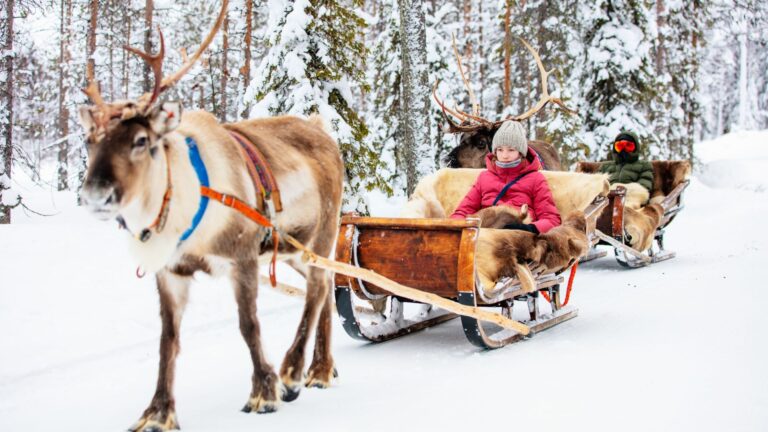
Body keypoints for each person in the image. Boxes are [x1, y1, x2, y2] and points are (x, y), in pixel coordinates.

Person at [450, 120, 561, 234]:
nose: (505, 155)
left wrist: (530, 229)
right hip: (485, 235)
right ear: (494, 151)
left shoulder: (536, 179)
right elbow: (461, 212)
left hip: (519, 239)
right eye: (500, 150)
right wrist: (457, 228)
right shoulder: (484, 178)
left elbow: (552, 219)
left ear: (521, 152)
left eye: (511, 150)